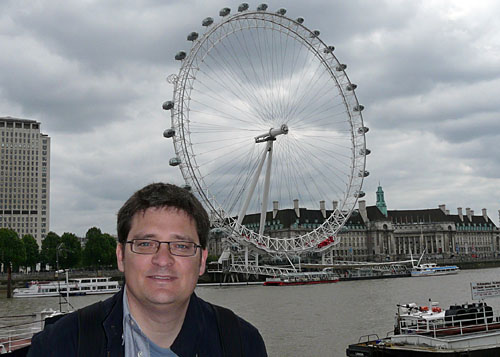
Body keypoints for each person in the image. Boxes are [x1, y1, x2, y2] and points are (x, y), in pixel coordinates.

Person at [28, 183, 267, 356]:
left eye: (181, 246)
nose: (163, 259)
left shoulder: (243, 343)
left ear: (202, 260)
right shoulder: (59, 345)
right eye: (145, 244)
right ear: (121, 256)